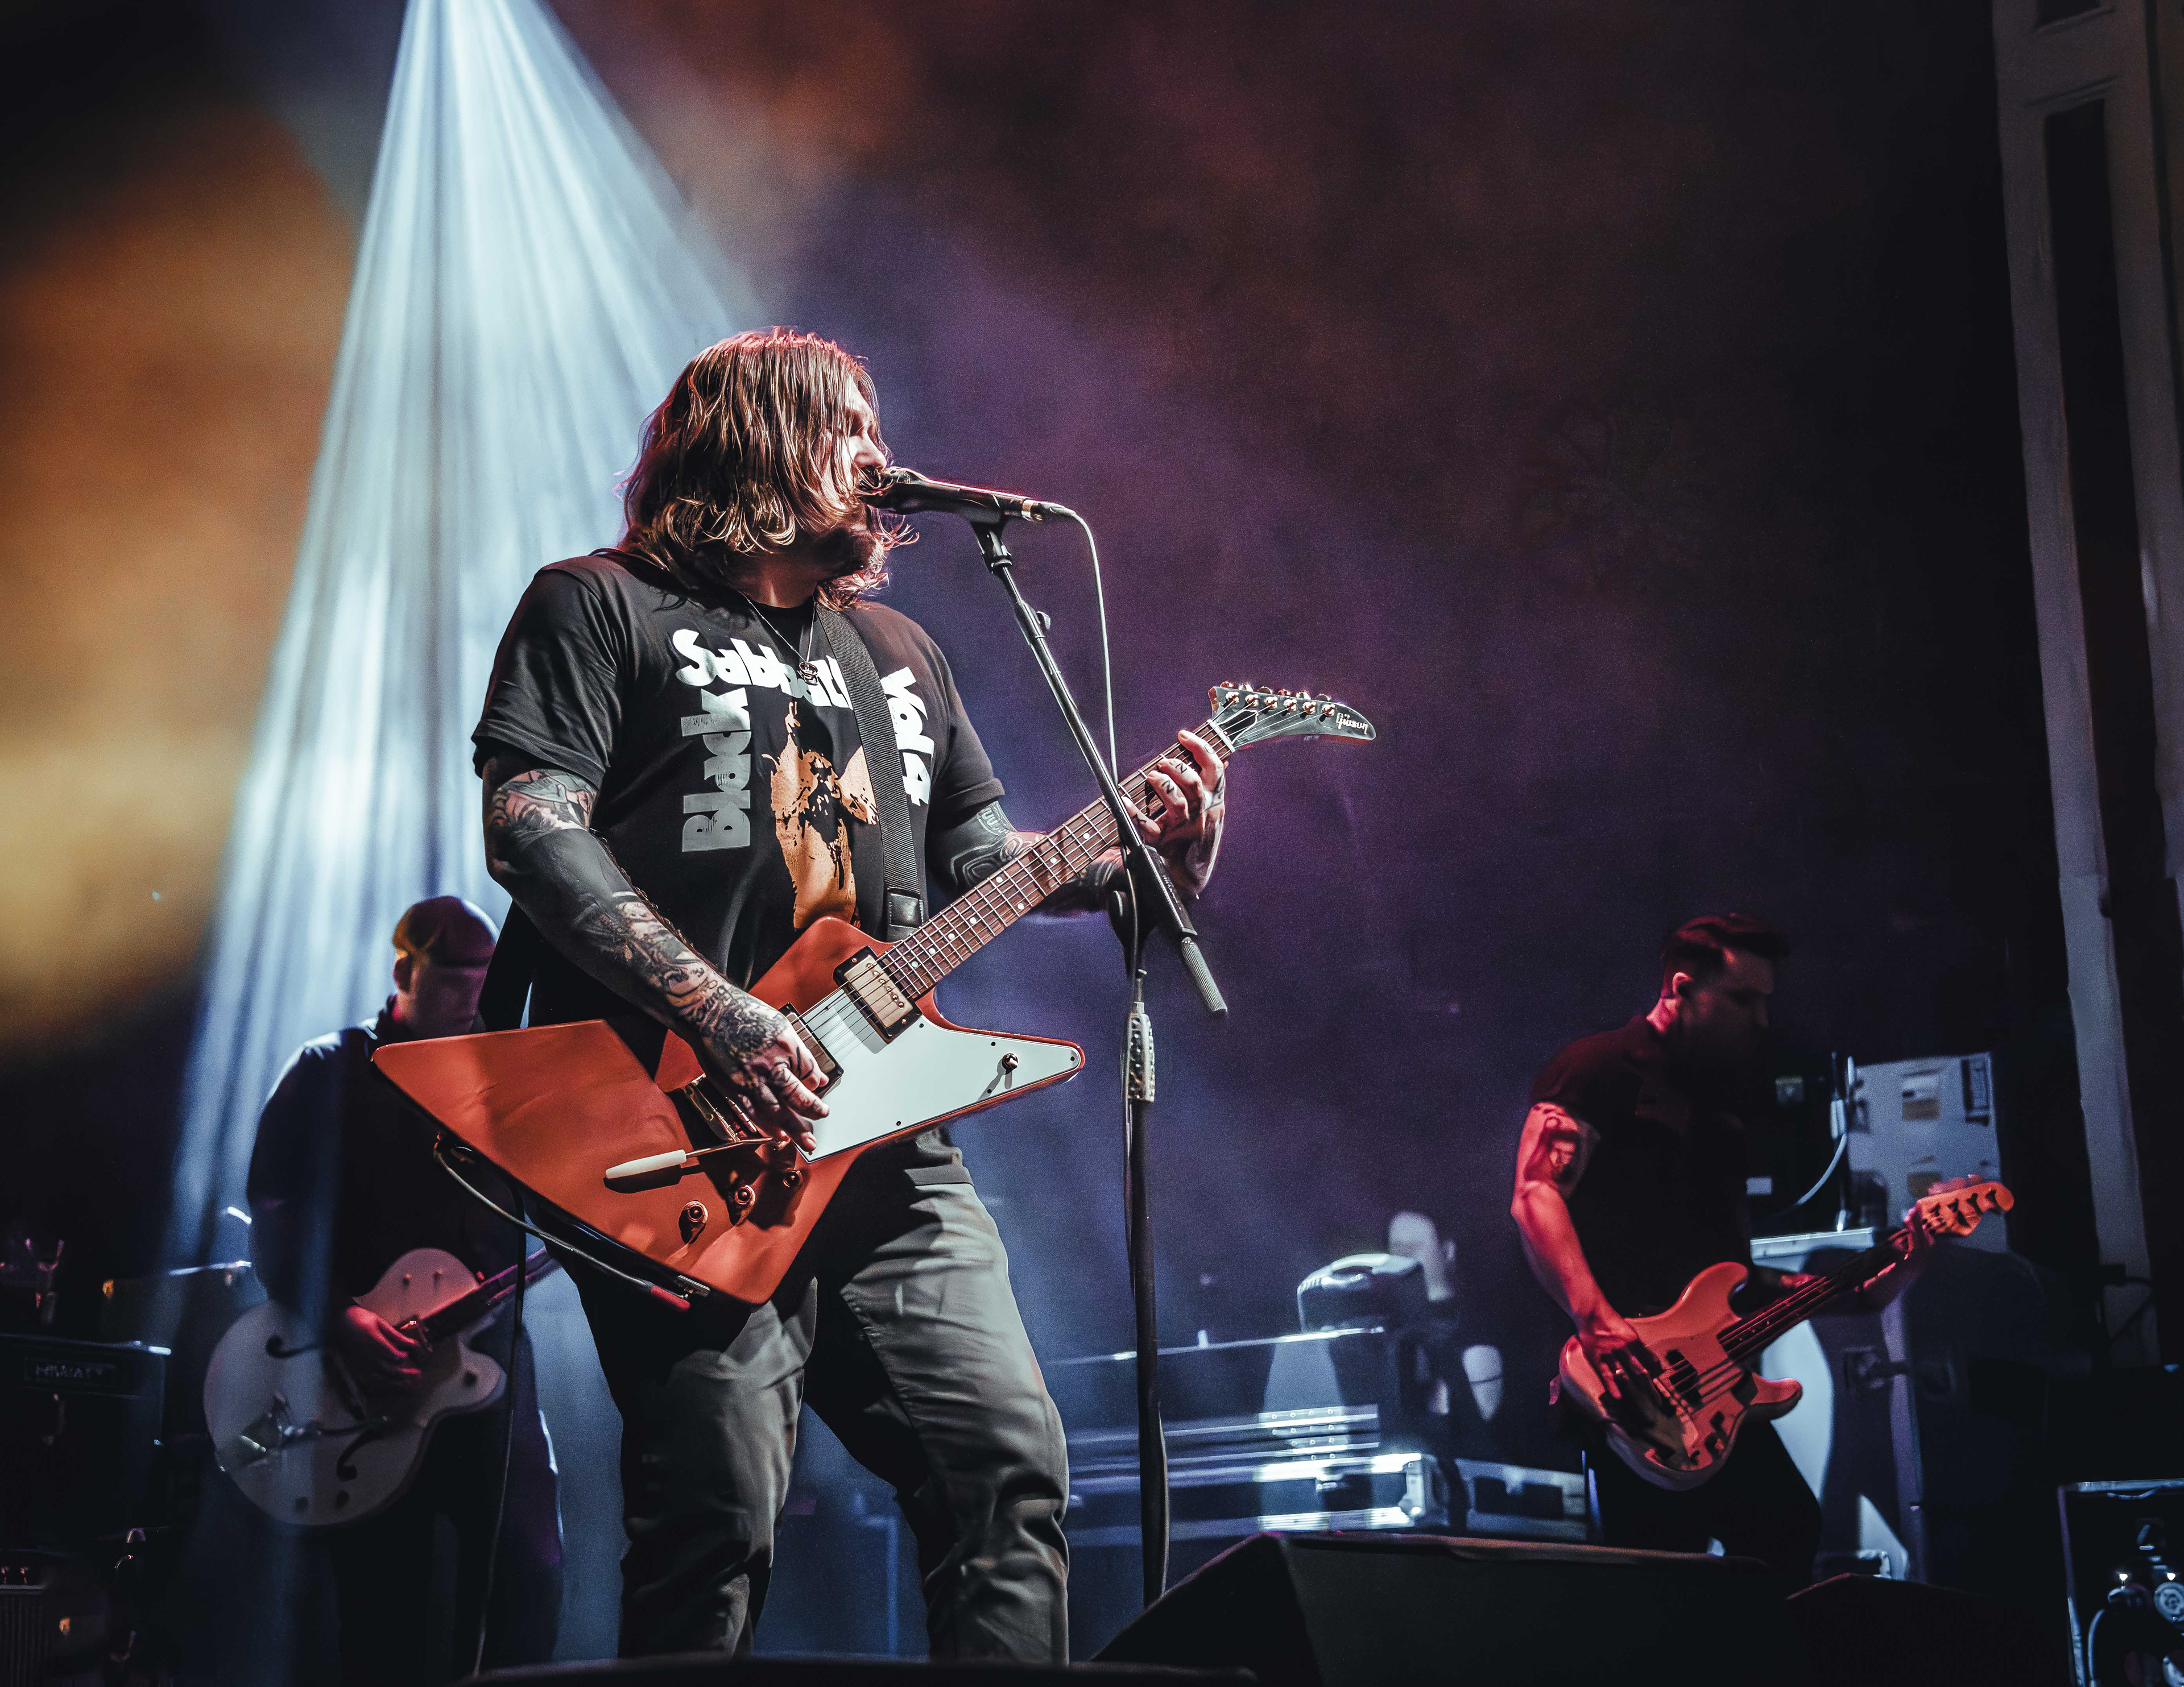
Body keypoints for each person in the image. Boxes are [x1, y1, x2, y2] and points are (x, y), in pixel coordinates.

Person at [471, 327, 1225, 1661]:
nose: (878, 454)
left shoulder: (897, 648)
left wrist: (1139, 862)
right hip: (677, 1128)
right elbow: (532, 827)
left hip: (887, 1144)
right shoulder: (601, 603)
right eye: (846, 425)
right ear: (758, 436)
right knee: (715, 1515)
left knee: (1008, 1470)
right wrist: (720, 1011)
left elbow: (980, 858)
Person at [1508, 913, 1931, 1576]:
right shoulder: (1598, 1069)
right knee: (1660, 1571)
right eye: (1742, 999)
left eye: (1765, 1001)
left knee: (1786, 1530)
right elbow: (1536, 1194)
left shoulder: (1722, 1115)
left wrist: (1908, 1257)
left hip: (1713, 1388)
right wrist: (1595, 1317)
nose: (1761, 1019)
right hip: (1630, 1388)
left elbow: (1735, 1274)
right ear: (1682, 987)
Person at [246, 896, 562, 1684]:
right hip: (366, 1376)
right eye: (454, 979)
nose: (471, 998)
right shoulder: (330, 1068)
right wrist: (341, 1317)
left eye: (484, 980)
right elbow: (276, 1215)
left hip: (490, 1360)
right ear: (404, 971)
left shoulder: (500, 1078)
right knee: (386, 1596)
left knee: (527, 1569)